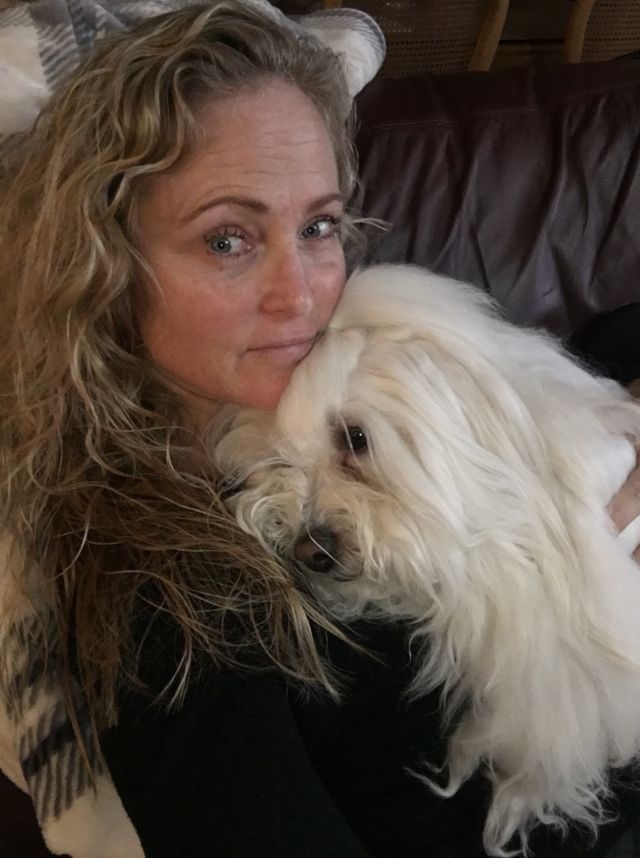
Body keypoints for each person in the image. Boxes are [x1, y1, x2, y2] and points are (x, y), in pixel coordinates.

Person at [1, 3, 640, 857]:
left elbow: (562, 362)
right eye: (227, 240)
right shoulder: (164, 607)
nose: (300, 294)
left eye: (318, 227)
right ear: (107, 265)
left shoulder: (364, 361)